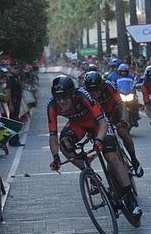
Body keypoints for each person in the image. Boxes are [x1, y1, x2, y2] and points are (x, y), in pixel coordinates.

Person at [47, 75, 142, 218]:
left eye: (65, 98)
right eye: (58, 98)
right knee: (64, 145)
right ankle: (90, 173)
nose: (62, 102)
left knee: (111, 156)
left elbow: (103, 122)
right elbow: (53, 136)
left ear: (72, 94)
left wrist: (98, 141)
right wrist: (55, 157)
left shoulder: (83, 96)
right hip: (78, 124)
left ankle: (131, 199)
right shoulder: (52, 106)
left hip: (98, 123)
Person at [83, 71, 143, 176]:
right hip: (99, 118)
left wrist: (123, 119)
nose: (95, 93)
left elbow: (121, 103)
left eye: (97, 89)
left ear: (101, 85)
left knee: (123, 131)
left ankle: (134, 160)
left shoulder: (109, 86)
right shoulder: (83, 94)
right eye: (92, 91)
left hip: (114, 113)